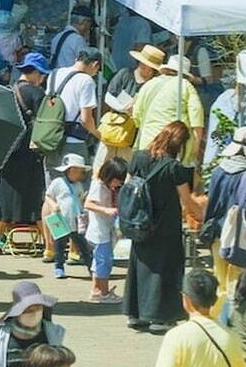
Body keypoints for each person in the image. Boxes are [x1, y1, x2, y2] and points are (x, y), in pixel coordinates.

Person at [124, 121, 205, 333]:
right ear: (180, 144)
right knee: (164, 269)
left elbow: (129, 186)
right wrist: (201, 214)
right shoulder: (174, 168)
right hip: (165, 225)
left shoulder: (139, 158)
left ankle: (135, 313)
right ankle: (160, 317)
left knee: (139, 265)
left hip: (139, 221)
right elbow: (186, 201)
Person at [0, 53, 50, 256]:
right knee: (41, 198)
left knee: (2, 198)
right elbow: (45, 125)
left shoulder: (6, 92)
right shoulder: (38, 94)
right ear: (36, 73)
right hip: (31, 153)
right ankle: (51, 245)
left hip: (7, 152)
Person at [202, 128, 246, 308]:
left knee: (219, 281)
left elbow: (211, 203)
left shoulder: (218, 171)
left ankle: (215, 320)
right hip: (238, 239)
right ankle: (232, 323)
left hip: (216, 232)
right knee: (236, 283)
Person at [97, 43, 164, 167]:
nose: (146, 69)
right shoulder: (125, 74)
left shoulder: (154, 85)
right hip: (114, 128)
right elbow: (109, 96)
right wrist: (123, 108)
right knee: (102, 166)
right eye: (144, 64)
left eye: (150, 67)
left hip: (134, 134)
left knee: (125, 167)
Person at [132, 55, 206, 166]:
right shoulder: (186, 86)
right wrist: (193, 151)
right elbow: (197, 120)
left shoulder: (148, 85)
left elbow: (136, 116)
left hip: (147, 145)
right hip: (175, 146)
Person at [44, 47, 102, 172]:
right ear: (95, 64)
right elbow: (85, 119)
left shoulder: (54, 73)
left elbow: (49, 103)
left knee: (53, 185)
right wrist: (98, 134)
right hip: (73, 142)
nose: (96, 73)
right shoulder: (86, 81)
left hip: (51, 139)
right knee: (79, 186)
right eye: (98, 70)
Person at [84, 156, 126, 303]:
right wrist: (106, 210)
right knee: (105, 263)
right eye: (117, 179)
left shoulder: (109, 187)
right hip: (99, 233)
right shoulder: (98, 185)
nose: (119, 183)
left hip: (104, 232)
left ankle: (96, 291)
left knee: (99, 262)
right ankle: (104, 292)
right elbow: (88, 204)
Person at [44, 154, 93, 280]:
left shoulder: (78, 185)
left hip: (76, 221)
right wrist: (53, 205)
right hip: (60, 219)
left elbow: (80, 199)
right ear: (70, 170)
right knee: (59, 245)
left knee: (83, 245)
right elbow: (48, 196)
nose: (81, 175)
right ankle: (59, 267)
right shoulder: (57, 183)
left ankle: (91, 267)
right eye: (79, 171)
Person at [110, 8, 152, 72]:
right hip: (131, 70)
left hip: (115, 67)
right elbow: (140, 49)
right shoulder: (143, 24)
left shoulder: (121, 22)